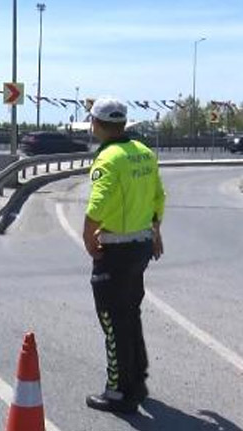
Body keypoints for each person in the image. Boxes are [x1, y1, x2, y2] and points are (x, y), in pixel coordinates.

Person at [82, 98, 165, 414]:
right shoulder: (144, 153)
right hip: (141, 245)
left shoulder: (108, 158)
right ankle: (135, 384)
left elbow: (97, 205)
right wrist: (155, 231)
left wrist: (88, 237)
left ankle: (118, 392)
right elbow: (158, 197)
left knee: (112, 319)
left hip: (115, 249)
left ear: (97, 124)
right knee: (129, 314)